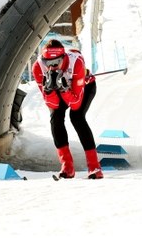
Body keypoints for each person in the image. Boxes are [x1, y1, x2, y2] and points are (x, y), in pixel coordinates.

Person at [31, 39, 103, 179]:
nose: (52, 67)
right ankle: (67, 166)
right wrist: (49, 90)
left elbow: (75, 103)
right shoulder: (38, 67)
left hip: (83, 88)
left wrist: (64, 89)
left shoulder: (76, 63)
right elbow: (53, 105)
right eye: (48, 63)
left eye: (56, 62)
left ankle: (94, 167)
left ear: (63, 58)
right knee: (55, 118)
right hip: (58, 91)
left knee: (76, 117)